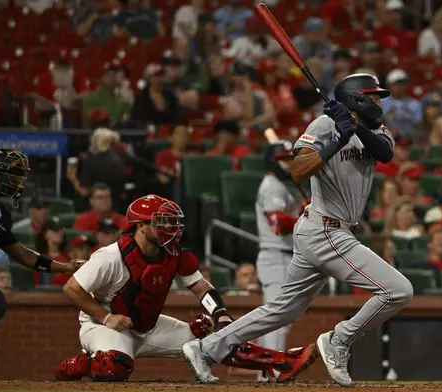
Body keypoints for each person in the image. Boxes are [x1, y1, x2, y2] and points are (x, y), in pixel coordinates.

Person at [183, 73, 413, 387]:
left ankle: (206, 348)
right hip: (325, 230)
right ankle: (339, 341)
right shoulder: (322, 126)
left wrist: (354, 127)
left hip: (327, 231)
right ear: (357, 98)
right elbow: (297, 169)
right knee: (398, 290)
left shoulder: (376, 130)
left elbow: (385, 153)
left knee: (282, 311)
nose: (378, 102)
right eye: (373, 96)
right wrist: (336, 141)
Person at [55, 195, 316, 383]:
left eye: (171, 222)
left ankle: (280, 361)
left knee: (211, 343)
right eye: (161, 222)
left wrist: (221, 314)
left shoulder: (173, 253)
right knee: (114, 367)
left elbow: (201, 287)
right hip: (104, 325)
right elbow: (72, 288)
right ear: (140, 226)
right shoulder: (111, 256)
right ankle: (82, 363)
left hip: (147, 325)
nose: (169, 228)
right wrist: (105, 317)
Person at [0, 149, 81, 328]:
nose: (17, 181)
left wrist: (64, 267)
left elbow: (23, 255)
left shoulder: (1, 213)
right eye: (10, 175)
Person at [254, 141, 306, 353]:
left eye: (290, 159)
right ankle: (271, 374)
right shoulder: (272, 186)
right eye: (283, 160)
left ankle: (268, 373)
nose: (289, 164)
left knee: (281, 321)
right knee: (275, 321)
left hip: (285, 257)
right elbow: (277, 222)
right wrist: (306, 219)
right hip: (276, 257)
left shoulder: (283, 186)